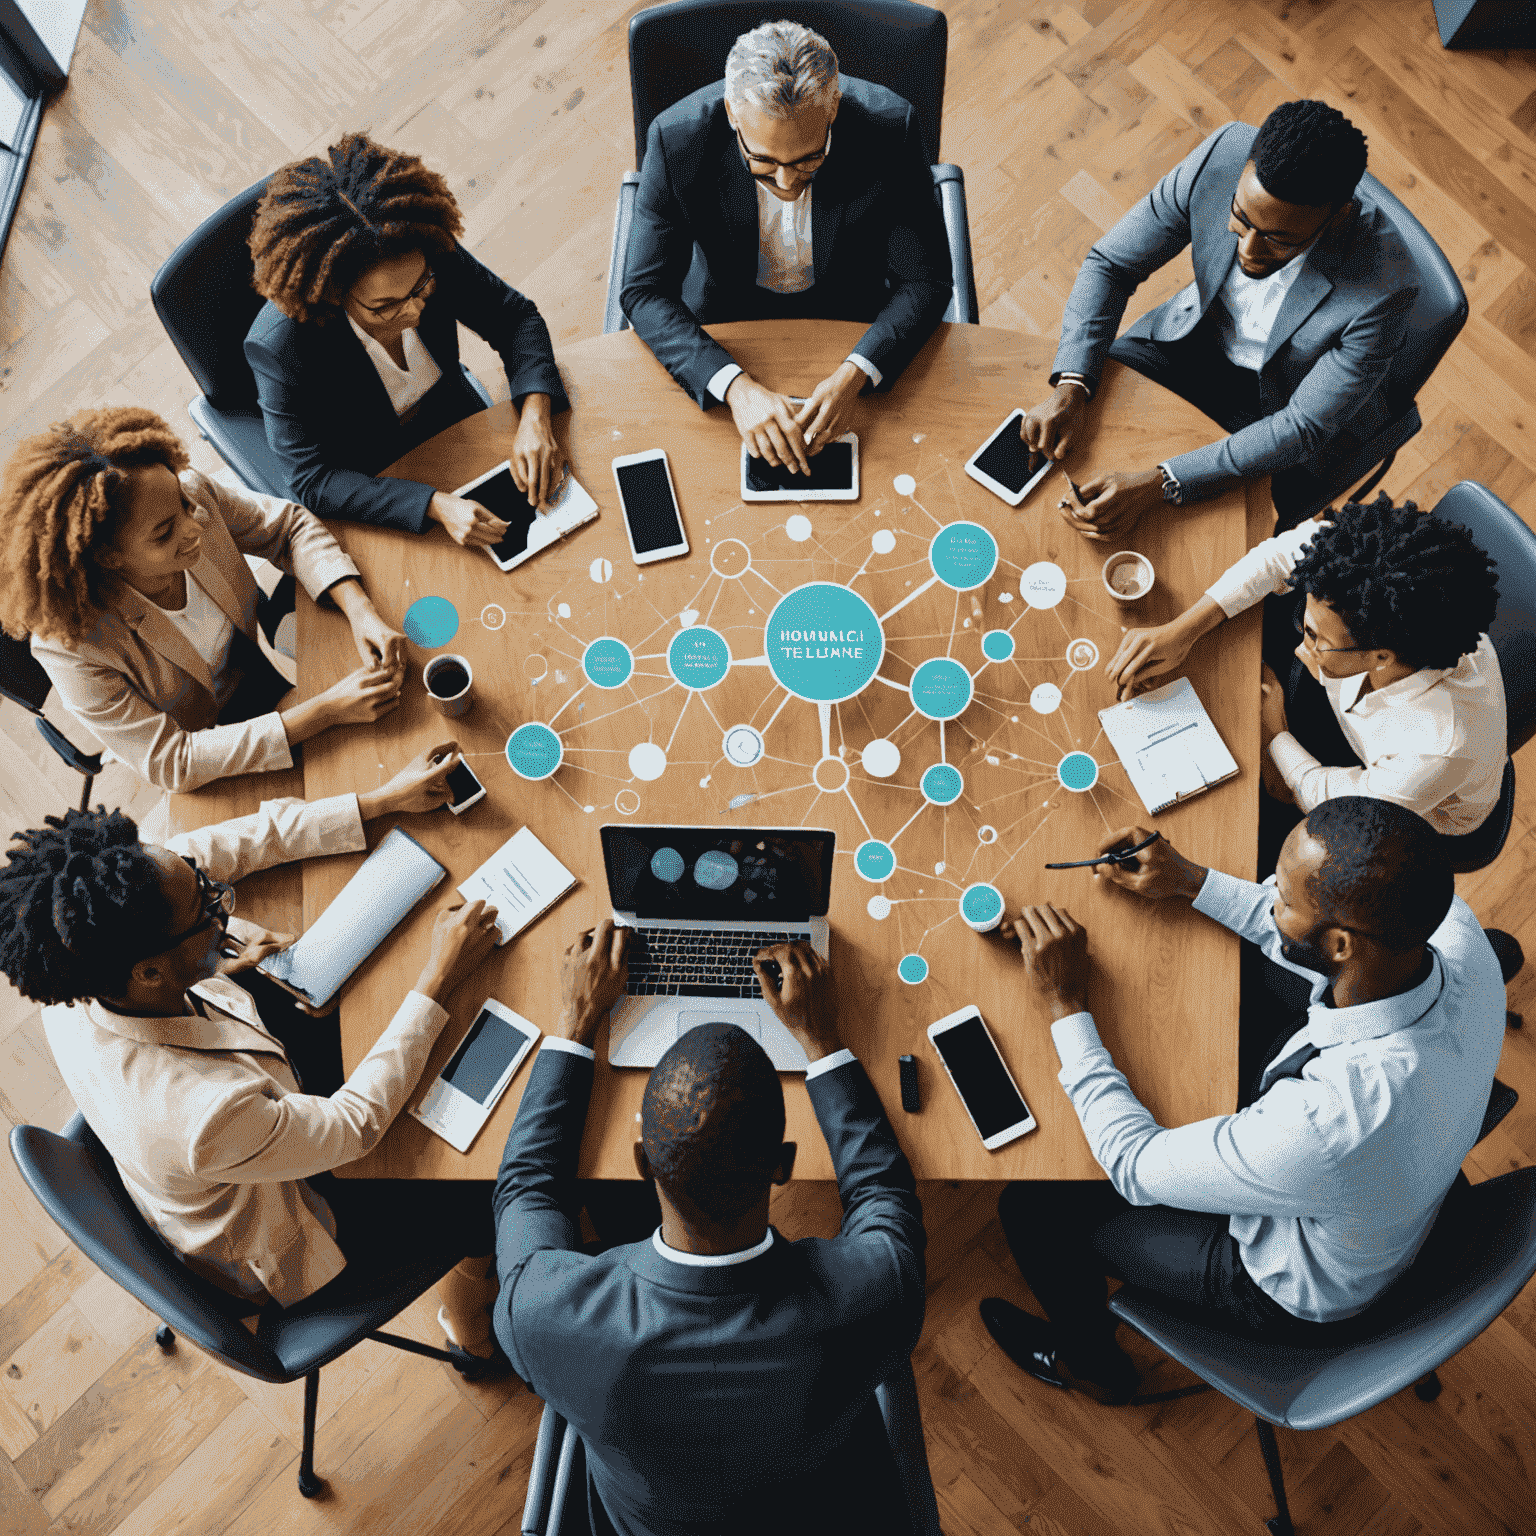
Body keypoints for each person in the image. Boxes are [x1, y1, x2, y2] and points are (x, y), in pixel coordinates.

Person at [0, 748, 512, 1376]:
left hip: (230, 1132)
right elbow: (353, 1129)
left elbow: (229, 843)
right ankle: (470, 1333)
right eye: (209, 910)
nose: (223, 904)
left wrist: (382, 800)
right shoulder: (203, 1115)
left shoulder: (78, 958)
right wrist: (440, 975)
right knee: (486, 1190)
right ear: (152, 972)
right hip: (292, 1229)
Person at [978, 800, 1506, 1406]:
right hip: (1390, 1178)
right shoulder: (1452, 933)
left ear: (1338, 944)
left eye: (1282, 897)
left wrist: (1064, 1002)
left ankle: (1092, 1362)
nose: (1267, 899)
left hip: (1294, 1286)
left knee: (1032, 1207)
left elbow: (1129, 1162)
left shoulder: (1332, 1122)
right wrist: (1190, 880)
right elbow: (1312, 944)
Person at [491, 926, 926, 1536]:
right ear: (784, 1166)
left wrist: (577, 1018)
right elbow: (882, 1192)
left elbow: (528, 1187)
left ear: (642, 1163)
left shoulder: (541, 1310)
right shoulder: (877, 1292)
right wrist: (821, 1039)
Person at [1023, 98, 1417, 541]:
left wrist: (1162, 482)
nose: (1248, 250)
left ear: (1338, 216)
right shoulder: (1225, 154)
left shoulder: (1387, 285)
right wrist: (1071, 385)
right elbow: (1111, 265)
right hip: (1185, 342)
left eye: (1278, 239)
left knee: (1200, 541)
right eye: (1240, 218)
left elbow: (1301, 426)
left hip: (1277, 405)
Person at [1, 407, 408, 794]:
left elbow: (289, 527)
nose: (194, 527)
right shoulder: (73, 647)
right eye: (164, 534)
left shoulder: (190, 494)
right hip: (205, 737)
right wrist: (325, 712)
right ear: (109, 557)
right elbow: (169, 761)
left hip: (256, 657)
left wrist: (361, 610)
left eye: (183, 505)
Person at [1105, 494, 1505, 874]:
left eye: (1315, 639)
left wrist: (1275, 732)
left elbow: (1327, 798)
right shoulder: (1366, 572)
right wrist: (1184, 630)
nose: (1300, 650)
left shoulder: (1433, 751)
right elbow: (1278, 556)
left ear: (1381, 657)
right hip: (1374, 741)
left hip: (1415, 816)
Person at [621, 20, 952, 477]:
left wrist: (857, 371)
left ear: (833, 106)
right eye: (762, 161)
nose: (786, 183)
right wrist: (736, 388)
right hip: (724, 325)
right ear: (733, 114)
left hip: (853, 320)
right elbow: (644, 291)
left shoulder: (891, 128)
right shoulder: (676, 139)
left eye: (809, 159)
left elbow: (926, 278)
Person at [245, 130, 569, 546]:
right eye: (385, 306)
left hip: (456, 418)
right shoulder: (280, 348)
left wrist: (536, 416)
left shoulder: (426, 251)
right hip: (375, 476)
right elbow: (312, 479)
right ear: (335, 296)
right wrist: (433, 504)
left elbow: (514, 318)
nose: (414, 310)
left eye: (421, 287)